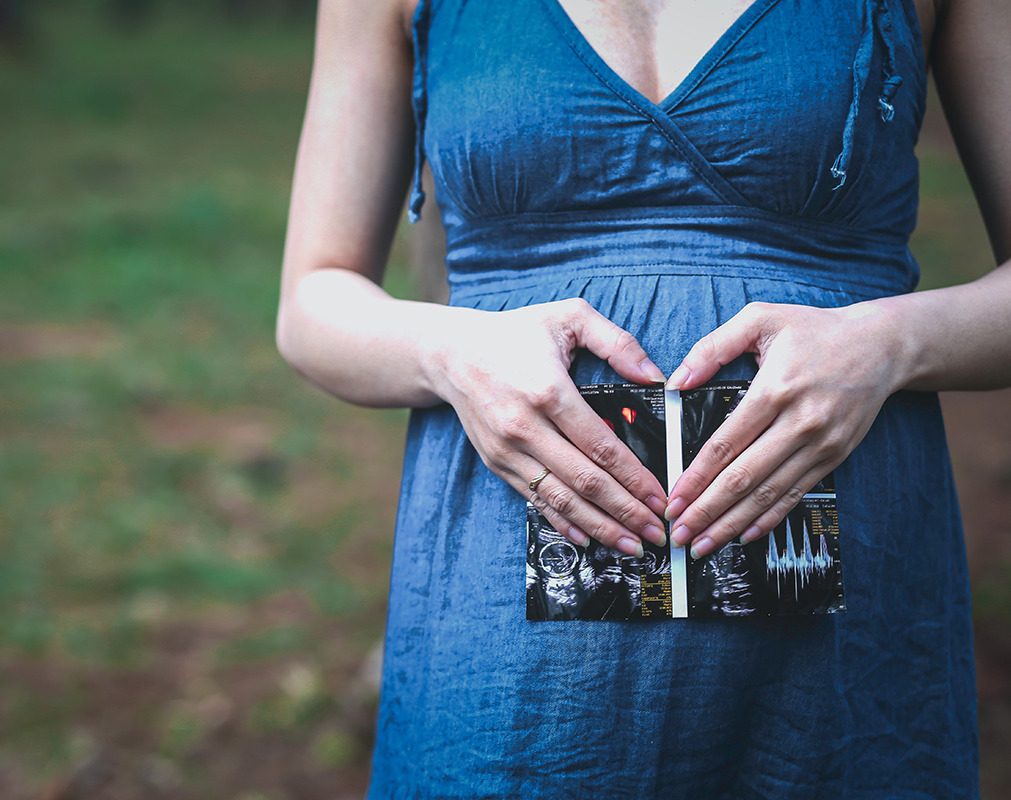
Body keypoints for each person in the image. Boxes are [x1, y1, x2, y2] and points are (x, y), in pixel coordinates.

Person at [276, 0, 1011, 795]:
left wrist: (892, 343)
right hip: (503, 630)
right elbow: (312, 302)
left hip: (843, 617)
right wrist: (450, 351)